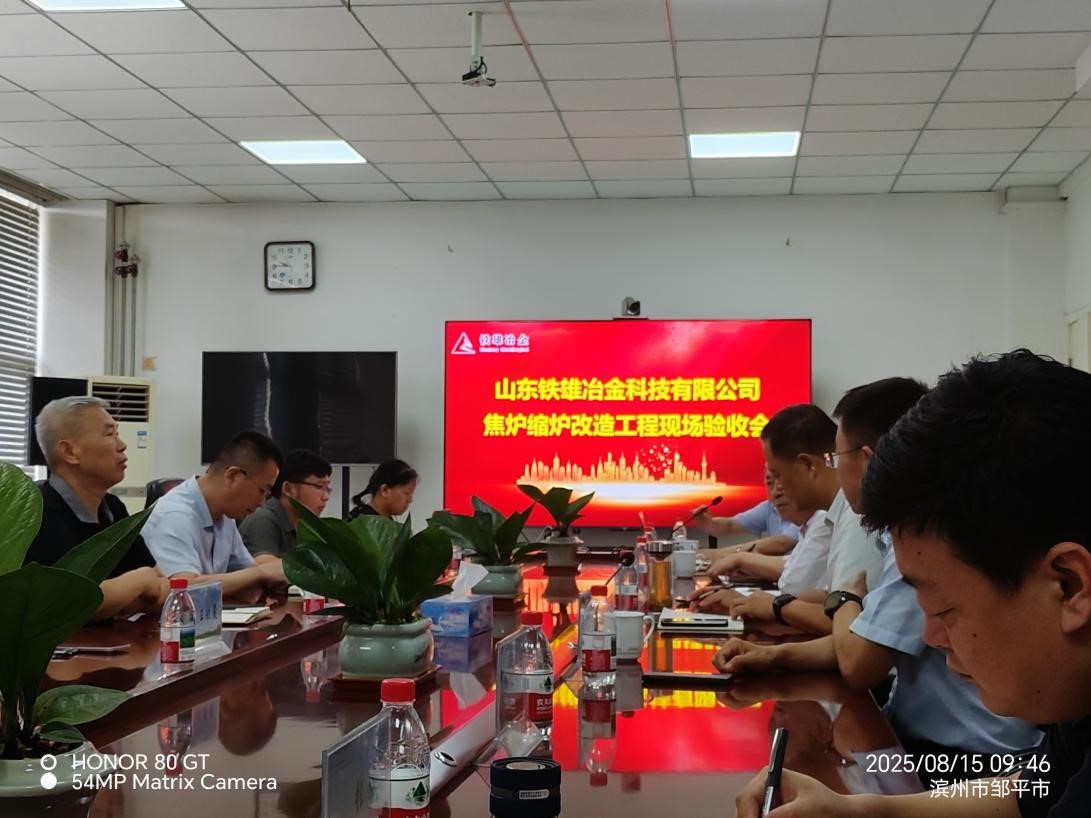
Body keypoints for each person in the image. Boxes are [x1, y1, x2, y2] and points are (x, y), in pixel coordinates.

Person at [735, 350, 1091, 818]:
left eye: (944, 610)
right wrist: (859, 811)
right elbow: (1033, 788)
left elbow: (858, 664)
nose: (929, 636)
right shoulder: (1076, 709)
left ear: (1069, 585)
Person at [698, 404, 883, 635]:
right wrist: (756, 603)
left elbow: (847, 626)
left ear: (809, 465)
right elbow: (830, 597)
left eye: (777, 475)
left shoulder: (856, 517)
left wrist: (775, 607)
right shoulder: (834, 515)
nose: (777, 489)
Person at [26, 396, 168, 621]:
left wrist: (113, 601)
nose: (122, 445)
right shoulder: (38, 513)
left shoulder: (112, 507)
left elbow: (163, 588)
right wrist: (138, 581)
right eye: (110, 434)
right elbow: (64, 605)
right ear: (69, 451)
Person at [143, 431, 288, 603]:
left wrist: (270, 576)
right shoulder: (174, 516)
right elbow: (183, 591)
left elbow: (247, 574)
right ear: (233, 476)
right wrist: (260, 573)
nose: (262, 503)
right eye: (262, 491)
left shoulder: (225, 514)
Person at [240, 448, 332, 560]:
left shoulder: (307, 526)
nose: (325, 497)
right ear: (288, 489)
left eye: (328, 489)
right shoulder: (262, 520)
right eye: (319, 487)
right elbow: (265, 565)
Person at [693, 466, 801, 556]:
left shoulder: (808, 512)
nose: (775, 492)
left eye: (782, 481)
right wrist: (708, 524)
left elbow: (780, 544)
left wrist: (718, 555)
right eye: (770, 483)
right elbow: (730, 525)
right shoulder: (769, 507)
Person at [346, 459, 417, 521]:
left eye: (411, 494)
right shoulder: (360, 521)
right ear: (385, 490)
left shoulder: (387, 521)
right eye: (407, 493)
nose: (410, 500)